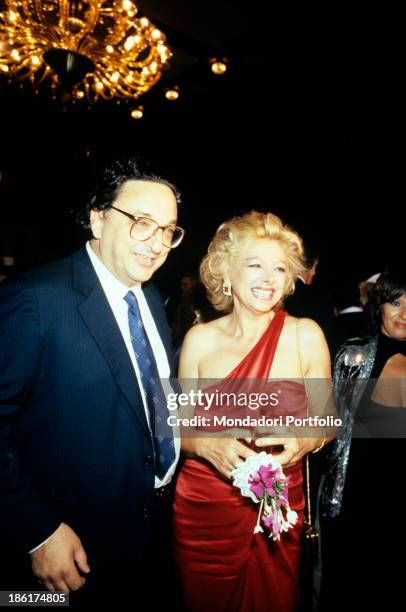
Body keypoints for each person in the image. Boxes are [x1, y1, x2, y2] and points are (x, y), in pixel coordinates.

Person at [0, 158, 184, 605]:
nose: (157, 243)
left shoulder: (154, 300)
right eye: (142, 223)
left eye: (168, 230)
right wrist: (38, 531)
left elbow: (149, 404)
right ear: (97, 219)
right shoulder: (35, 298)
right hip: (68, 547)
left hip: (150, 532)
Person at [173, 211, 333, 612]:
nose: (268, 277)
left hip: (275, 510)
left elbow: (328, 422)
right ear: (227, 271)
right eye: (255, 264)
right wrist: (206, 446)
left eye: (279, 268)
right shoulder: (199, 340)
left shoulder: (304, 335)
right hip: (203, 508)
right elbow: (176, 427)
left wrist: (306, 437)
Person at [319, 266, 406, 609]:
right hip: (356, 504)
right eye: (396, 303)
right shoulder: (352, 358)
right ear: (379, 305)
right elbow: (325, 427)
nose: (404, 314)